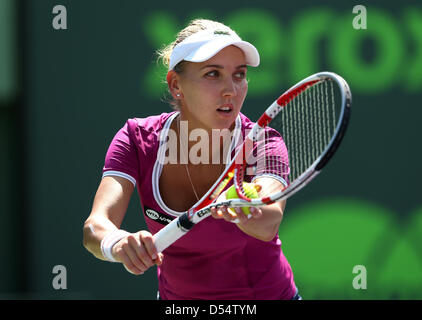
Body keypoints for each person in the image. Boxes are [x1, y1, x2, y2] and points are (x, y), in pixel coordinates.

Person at [83, 18, 300, 300]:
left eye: (239, 74)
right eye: (213, 74)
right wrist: (119, 244)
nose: (231, 90)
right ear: (176, 85)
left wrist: (247, 210)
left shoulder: (263, 142)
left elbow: (269, 221)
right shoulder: (136, 139)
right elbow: (94, 228)